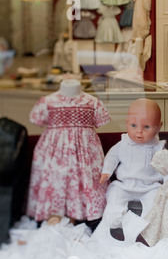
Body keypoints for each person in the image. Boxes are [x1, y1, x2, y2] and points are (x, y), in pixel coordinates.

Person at [26, 79, 110, 225]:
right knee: (55, 180)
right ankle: (55, 216)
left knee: (84, 180)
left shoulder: (93, 102)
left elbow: (100, 121)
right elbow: (37, 120)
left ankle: (80, 215)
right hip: (54, 153)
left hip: (85, 154)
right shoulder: (47, 102)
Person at [92, 98, 165, 246]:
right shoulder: (123, 143)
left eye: (146, 127)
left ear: (158, 127)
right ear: (126, 123)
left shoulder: (158, 148)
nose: (139, 132)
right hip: (125, 185)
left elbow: (167, 165)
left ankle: (147, 224)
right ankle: (114, 217)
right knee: (114, 195)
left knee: (156, 201)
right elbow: (112, 156)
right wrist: (107, 171)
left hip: (149, 187)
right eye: (133, 125)